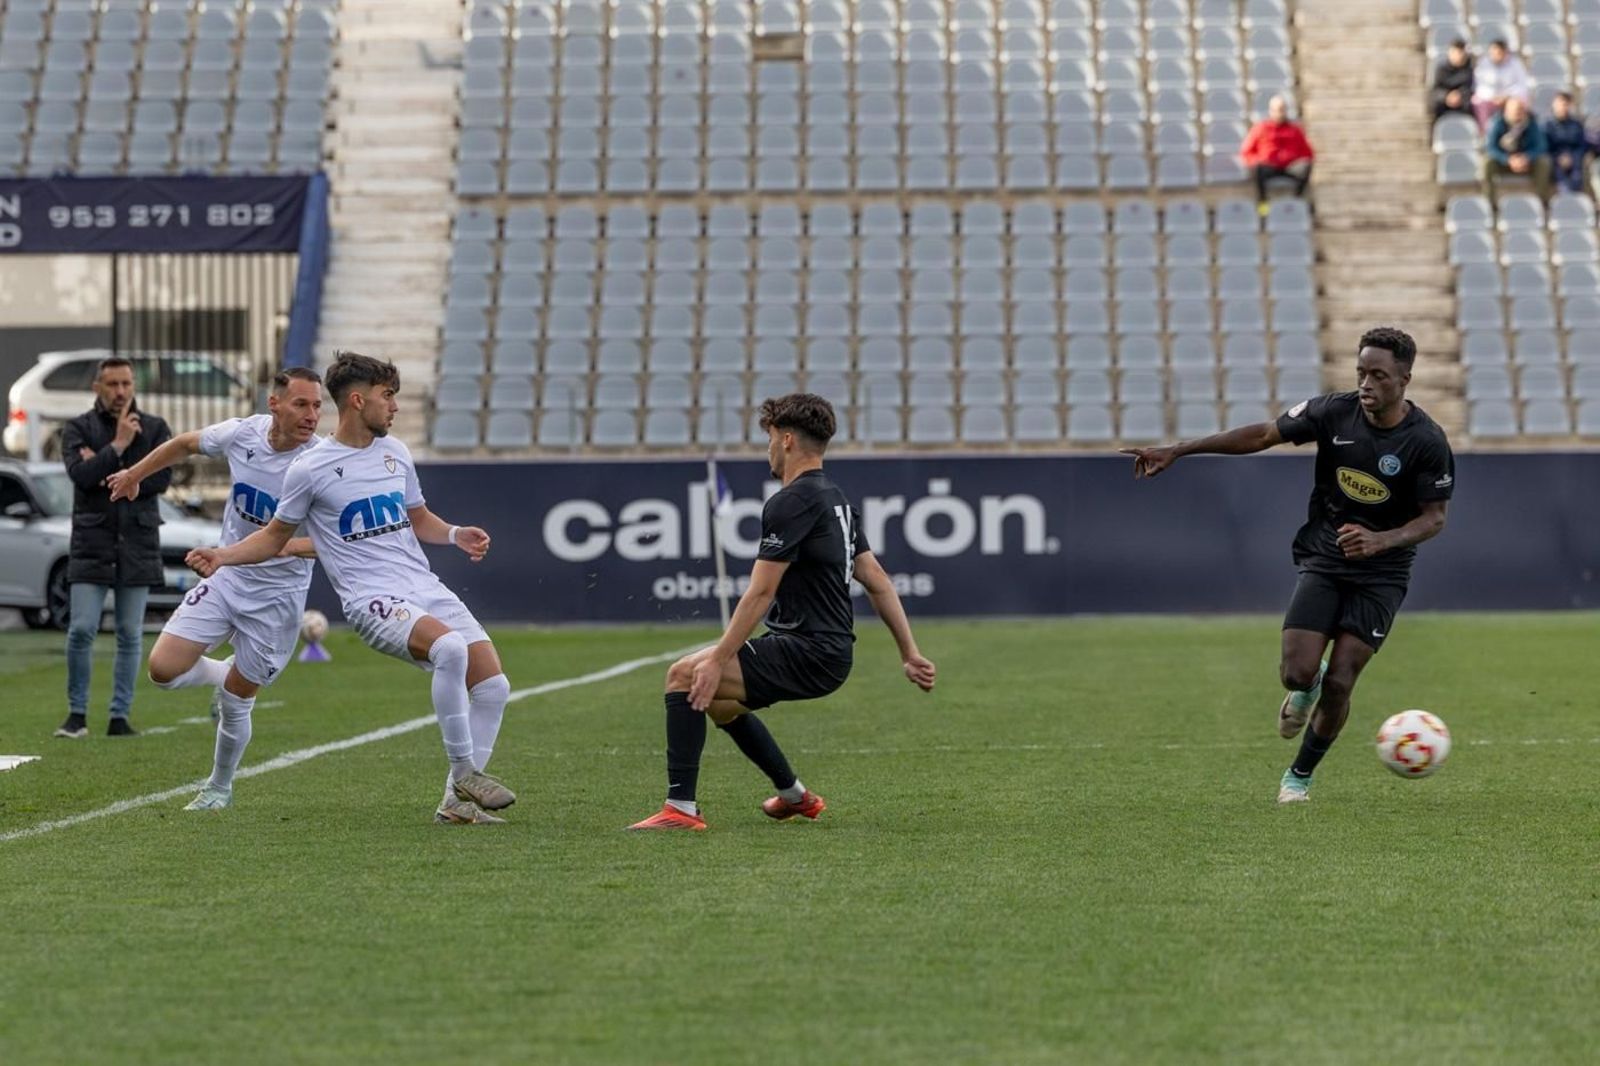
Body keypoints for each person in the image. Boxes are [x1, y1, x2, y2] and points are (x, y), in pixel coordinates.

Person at [1119, 327, 1454, 805]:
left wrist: (1382, 541)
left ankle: (1298, 777)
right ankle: (1305, 687)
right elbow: (1262, 434)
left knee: (1341, 681)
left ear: (1405, 379)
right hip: (1324, 555)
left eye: (1378, 375)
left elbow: (1434, 518)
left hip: (1382, 573)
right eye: (1361, 372)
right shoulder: (1333, 411)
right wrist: (1180, 448)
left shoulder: (1426, 441)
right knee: (1297, 674)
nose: (1366, 383)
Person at [184, 351, 515, 825]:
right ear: (358, 401)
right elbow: (274, 536)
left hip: (423, 584)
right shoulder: (311, 468)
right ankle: (465, 772)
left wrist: (454, 533)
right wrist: (222, 555)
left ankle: (454, 805)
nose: (395, 406)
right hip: (370, 599)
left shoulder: (394, 452)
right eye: (388, 396)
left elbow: (418, 517)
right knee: (450, 650)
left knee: (494, 685)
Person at [627, 393, 937, 831]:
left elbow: (759, 593)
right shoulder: (837, 501)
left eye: (770, 439)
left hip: (810, 651)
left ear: (788, 440)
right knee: (717, 704)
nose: (768, 449)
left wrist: (716, 660)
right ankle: (795, 797)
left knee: (685, 676)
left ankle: (680, 810)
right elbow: (878, 580)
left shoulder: (791, 502)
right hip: (824, 651)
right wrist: (909, 652)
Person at [106, 367, 324, 811]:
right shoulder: (243, 435)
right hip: (227, 578)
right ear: (275, 404)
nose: (312, 415)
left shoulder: (321, 462)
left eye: (318, 406)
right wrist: (134, 475)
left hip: (277, 600)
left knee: (237, 702)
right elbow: (185, 444)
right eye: (301, 404)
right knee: (163, 671)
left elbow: (330, 542)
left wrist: (281, 547)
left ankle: (219, 787)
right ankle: (227, 672)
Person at [54, 356, 173, 739]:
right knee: (82, 628)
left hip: (137, 543)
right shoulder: (77, 429)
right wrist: (120, 445)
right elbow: (81, 476)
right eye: (112, 385)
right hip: (91, 542)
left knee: (129, 632)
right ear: (97, 388)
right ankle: (77, 715)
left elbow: (162, 478)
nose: (120, 392)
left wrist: (112, 464)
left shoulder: (155, 428)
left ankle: (119, 717)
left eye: (126, 384)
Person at [1239, 95, 1315, 211]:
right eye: (1277, 110)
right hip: (1269, 167)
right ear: (1270, 110)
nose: (1280, 113)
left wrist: (1299, 160)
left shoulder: (1295, 130)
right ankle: (1263, 204)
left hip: (1290, 168)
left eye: (1282, 109)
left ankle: (1296, 201)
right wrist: (1257, 161)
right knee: (1258, 169)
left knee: (1306, 167)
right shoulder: (1261, 128)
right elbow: (1247, 152)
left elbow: (1308, 153)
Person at [1481, 96, 1553, 204]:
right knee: (1487, 162)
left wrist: (1527, 158)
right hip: (1504, 163)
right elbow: (1490, 147)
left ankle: (1541, 201)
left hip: (1527, 163)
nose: (1518, 113)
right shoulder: (1497, 123)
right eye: (1515, 111)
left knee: (1544, 162)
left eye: (1520, 110)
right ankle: (1489, 202)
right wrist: (1508, 159)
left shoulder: (1531, 124)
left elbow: (1541, 146)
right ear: (1506, 111)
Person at [1471, 38, 1530, 129]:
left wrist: (1507, 96)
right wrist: (1493, 97)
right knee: (1478, 102)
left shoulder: (1515, 63)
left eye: (1498, 53)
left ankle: (1517, 131)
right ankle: (1485, 132)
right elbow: (1479, 85)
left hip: (1510, 97)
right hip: (1490, 98)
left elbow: (1522, 84)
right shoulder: (1483, 63)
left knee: (1520, 103)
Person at [1543, 91, 1588, 195]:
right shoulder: (1547, 125)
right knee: (1560, 178)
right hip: (1555, 158)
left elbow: (1581, 146)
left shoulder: (1576, 125)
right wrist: (1558, 157)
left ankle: (1577, 198)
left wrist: (1572, 157)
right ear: (1553, 105)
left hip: (1574, 158)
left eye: (1566, 104)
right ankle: (1566, 197)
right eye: (1560, 104)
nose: (1563, 107)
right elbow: (1545, 147)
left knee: (1577, 175)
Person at [1431, 38, 1474, 124]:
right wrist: (1446, 96)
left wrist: (1459, 95)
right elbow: (1436, 88)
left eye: (1462, 53)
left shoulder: (1469, 70)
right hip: (1445, 100)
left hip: (1463, 100)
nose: (1460, 56)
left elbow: (1470, 87)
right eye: (1457, 53)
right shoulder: (1441, 69)